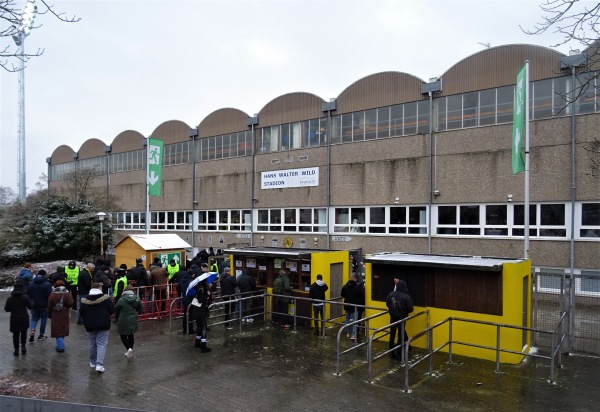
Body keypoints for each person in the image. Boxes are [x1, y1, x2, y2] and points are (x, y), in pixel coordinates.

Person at [79, 283, 115, 373]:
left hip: (90, 325)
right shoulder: (106, 299)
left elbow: (81, 312)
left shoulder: (84, 300)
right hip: (103, 324)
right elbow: (112, 310)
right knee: (101, 344)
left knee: (92, 343)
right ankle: (99, 364)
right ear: (100, 288)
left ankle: (92, 362)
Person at [386, 278, 414, 360]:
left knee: (392, 334)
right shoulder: (406, 296)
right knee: (400, 335)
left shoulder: (391, 294)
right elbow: (410, 308)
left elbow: (387, 303)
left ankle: (391, 352)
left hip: (393, 316)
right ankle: (399, 353)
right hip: (402, 317)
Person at [115, 285, 143, 358]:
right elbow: (141, 309)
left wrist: (116, 317)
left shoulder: (121, 299)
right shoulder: (137, 298)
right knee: (131, 335)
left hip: (123, 319)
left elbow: (116, 310)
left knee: (123, 335)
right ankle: (130, 350)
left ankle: (129, 349)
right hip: (133, 319)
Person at [4, 283, 32, 356]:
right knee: (24, 333)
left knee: (15, 335)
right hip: (24, 317)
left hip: (14, 318)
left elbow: (6, 309)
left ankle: (16, 350)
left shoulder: (10, 298)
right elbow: (30, 307)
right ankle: (23, 347)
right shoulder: (25, 297)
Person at [47, 280, 74, 353]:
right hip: (64, 313)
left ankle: (60, 346)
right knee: (63, 328)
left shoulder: (52, 294)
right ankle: (60, 345)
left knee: (57, 330)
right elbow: (70, 303)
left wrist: (49, 315)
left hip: (55, 314)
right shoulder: (67, 294)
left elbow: (49, 306)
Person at [27, 269, 52, 342]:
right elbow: (50, 295)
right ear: (44, 275)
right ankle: (41, 335)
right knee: (43, 320)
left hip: (34, 305)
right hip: (44, 305)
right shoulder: (47, 284)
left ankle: (32, 331)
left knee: (34, 319)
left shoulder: (31, 283)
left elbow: (28, 294)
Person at [191, 278, 213, 352]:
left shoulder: (198, 288)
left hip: (197, 310)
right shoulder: (201, 289)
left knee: (200, 326)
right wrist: (207, 295)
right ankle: (203, 346)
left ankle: (197, 343)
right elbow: (200, 300)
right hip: (202, 310)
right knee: (204, 327)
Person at [341, 274, 362, 341]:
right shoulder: (357, 287)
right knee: (355, 320)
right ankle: (353, 334)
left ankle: (348, 333)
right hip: (354, 306)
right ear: (355, 279)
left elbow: (342, 295)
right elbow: (360, 296)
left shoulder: (345, 286)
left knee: (347, 319)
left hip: (347, 305)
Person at [178, 268, 196, 334]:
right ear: (192, 274)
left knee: (185, 314)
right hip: (190, 299)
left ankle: (185, 329)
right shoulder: (192, 281)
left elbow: (178, 288)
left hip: (184, 298)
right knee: (190, 315)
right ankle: (190, 329)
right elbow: (194, 290)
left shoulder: (182, 280)